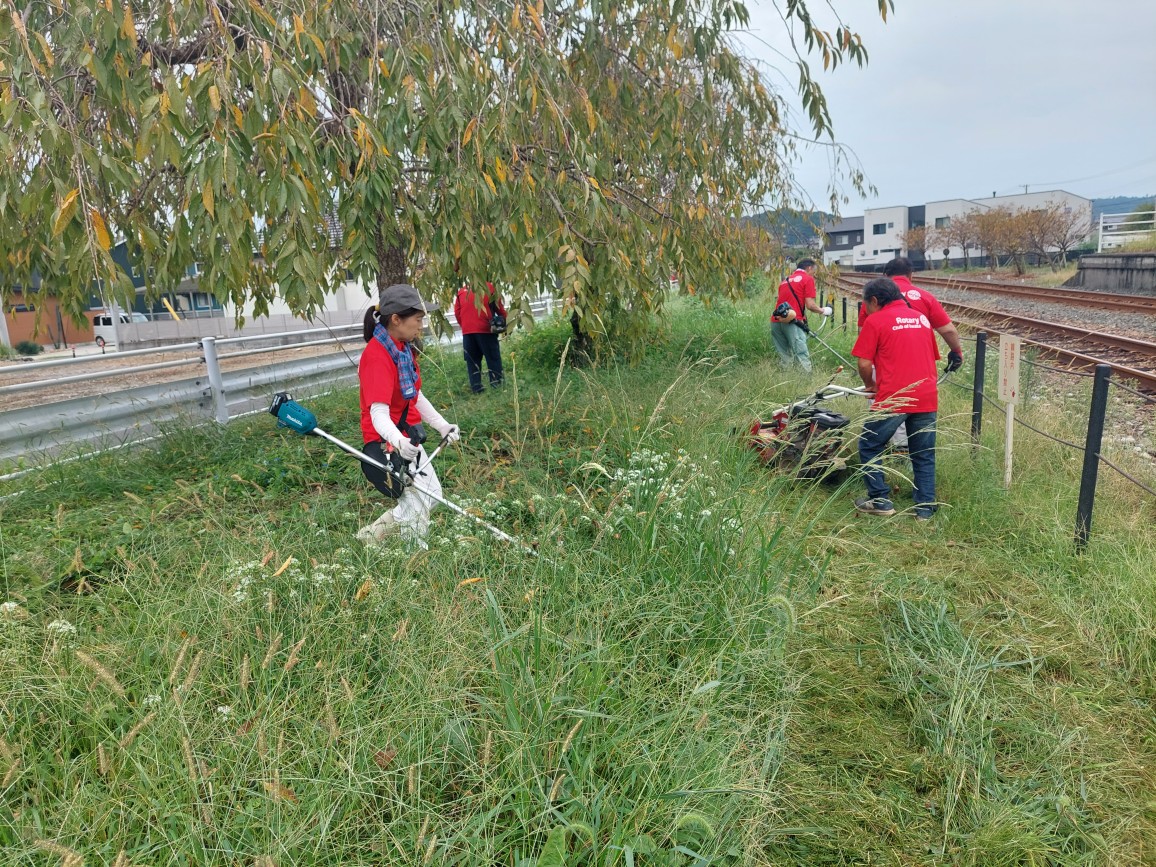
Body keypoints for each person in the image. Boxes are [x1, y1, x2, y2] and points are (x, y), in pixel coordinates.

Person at [355, 283, 461, 548]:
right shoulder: (378, 356)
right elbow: (377, 413)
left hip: (407, 435)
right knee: (416, 502)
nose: (421, 325)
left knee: (432, 495)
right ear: (396, 319)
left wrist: (441, 425)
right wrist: (399, 443)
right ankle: (415, 561)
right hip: (388, 440)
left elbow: (415, 394)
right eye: (418, 319)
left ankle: (372, 535)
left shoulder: (402, 350)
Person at [851, 277, 940, 520]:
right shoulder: (921, 319)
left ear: (875, 300)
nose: (865, 310)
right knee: (923, 453)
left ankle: (879, 500)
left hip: (894, 397)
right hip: (927, 396)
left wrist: (870, 384)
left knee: (869, 445)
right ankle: (924, 509)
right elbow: (931, 355)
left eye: (865, 304)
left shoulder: (876, 320)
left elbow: (864, 361)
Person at [857, 256, 965, 449]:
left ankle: (888, 451)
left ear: (885, 276)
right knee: (918, 423)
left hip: (882, 366)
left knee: (882, 420)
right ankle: (904, 452)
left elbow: (863, 336)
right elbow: (948, 330)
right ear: (911, 275)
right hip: (920, 368)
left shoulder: (874, 298)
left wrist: (869, 379)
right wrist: (956, 351)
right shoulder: (925, 297)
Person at [770, 259, 832, 373]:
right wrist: (824, 311)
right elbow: (810, 305)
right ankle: (807, 381)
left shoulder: (786, 280)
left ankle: (785, 381)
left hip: (776, 321)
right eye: (814, 271)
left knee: (784, 357)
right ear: (809, 268)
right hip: (792, 322)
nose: (814, 274)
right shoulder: (807, 279)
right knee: (801, 353)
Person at [453, 282, 506, 393]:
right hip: (485, 329)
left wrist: (466, 326)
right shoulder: (490, 287)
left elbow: (457, 313)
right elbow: (499, 307)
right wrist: (505, 322)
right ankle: (497, 385)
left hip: (467, 332)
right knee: (493, 358)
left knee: (472, 361)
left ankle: (476, 388)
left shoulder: (462, 291)